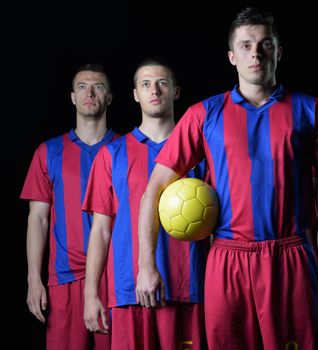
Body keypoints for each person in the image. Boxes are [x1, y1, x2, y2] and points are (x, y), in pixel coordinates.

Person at [137, 7, 318, 350]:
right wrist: (146, 266)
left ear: (279, 52)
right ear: (232, 56)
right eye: (246, 45)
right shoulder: (203, 114)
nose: (256, 53)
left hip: (291, 256)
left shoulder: (312, 110)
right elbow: (154, 190)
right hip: (227, 259)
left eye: (265, 45)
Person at [82, 57, 208, 349]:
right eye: (146, 84)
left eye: (163, 83)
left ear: (176, 91)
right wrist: (91, 294)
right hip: (129, 290)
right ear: (135, 94)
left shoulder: (201, 151)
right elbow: (100, 230)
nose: (155, 90)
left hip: (189, 288)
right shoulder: (111, 154)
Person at [20, 63, 116, 349]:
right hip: (64, 279)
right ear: (73, 97)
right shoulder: (48, 151)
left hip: (113, 278)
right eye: (82, 87)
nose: (89, 92)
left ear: (109, 97)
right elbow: (38, 220)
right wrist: (34, 279)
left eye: (98, 86)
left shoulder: (124, 149)